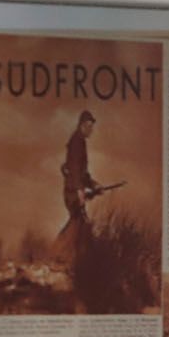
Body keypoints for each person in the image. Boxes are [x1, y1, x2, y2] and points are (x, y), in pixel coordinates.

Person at [56, 109, 100, 265]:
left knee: (78, 224)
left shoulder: (79, 141)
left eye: (92, 126)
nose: (90, 130)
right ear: (81, 125)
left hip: (74, 190)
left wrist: (93, 184)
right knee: (78, 223)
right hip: (72, 192)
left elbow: (82, 173)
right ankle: (58, 253)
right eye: (88, 126)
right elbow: (74, 169)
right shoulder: (77, 142)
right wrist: (80, 191)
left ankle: (63, 256)